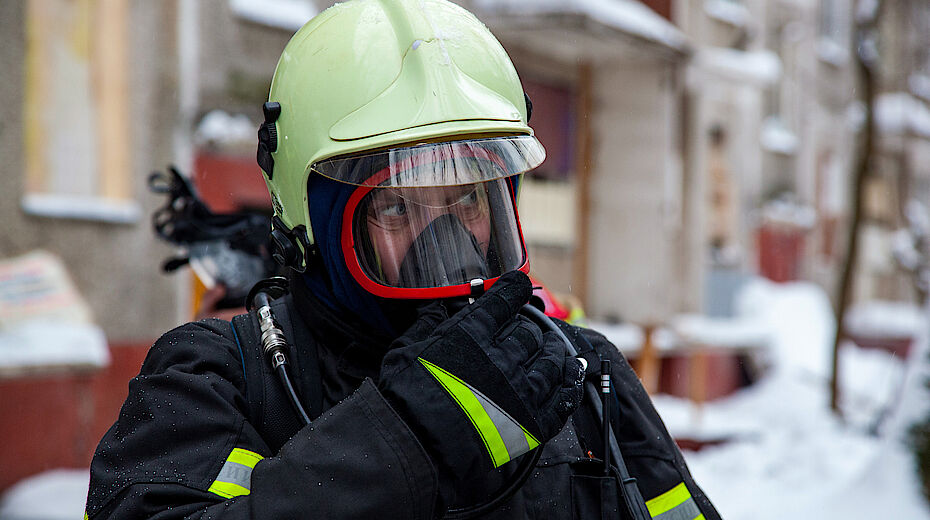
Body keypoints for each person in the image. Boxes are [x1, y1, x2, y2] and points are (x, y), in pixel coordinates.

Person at [85, 1, 721, 518]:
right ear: (316, 223)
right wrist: (411, 437)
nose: (447, 239)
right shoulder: (221, 381)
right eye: (396, 205)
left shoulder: (578, 377)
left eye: (470, 196)